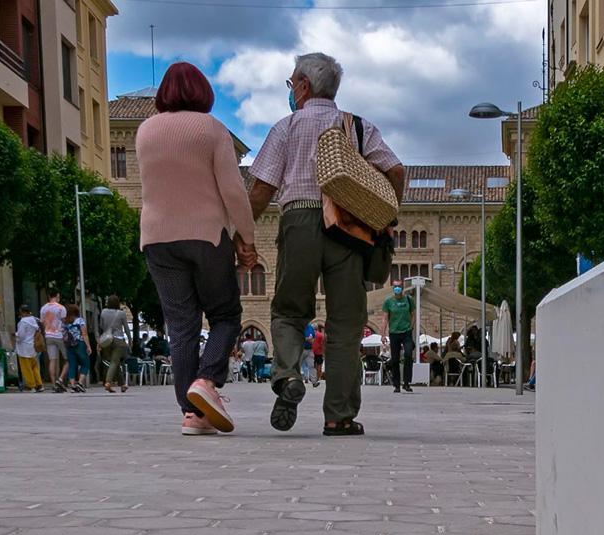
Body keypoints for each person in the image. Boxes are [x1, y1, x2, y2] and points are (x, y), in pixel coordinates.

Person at [249, 52, 405, 436]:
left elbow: (262, 189)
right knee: (346, 324)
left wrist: (241, 234)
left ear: (302, 86)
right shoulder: (357, 127)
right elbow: (396, 169)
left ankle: (287, 377)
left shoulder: (286, 128)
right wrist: (385, 215)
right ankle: (339, 416)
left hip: (299, 220)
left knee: (288, 310)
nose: (290, 92)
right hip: (348, 227)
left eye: (290, 85)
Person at [136, 61, 255, 435]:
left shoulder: (144, 132)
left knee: (182, 326)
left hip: (157, 238)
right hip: (205, 235)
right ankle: (206, 382)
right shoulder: (212, 130)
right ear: (204, 92)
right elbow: (233, 190)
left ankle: (192, 415)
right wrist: (247, 240)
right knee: (225, 315)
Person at [380, 285, 415, 393]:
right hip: (394, 333)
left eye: (399, 287)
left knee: (408, 354)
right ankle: (396, 385)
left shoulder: (409, 300)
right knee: (395, 359)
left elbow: (413, 314)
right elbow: (385, 318)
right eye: (395, 287)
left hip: (406, 332)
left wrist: (411, 327)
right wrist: (383, 334)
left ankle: (406, 382)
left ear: (402, 288)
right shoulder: (388, 302)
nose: (397, 289)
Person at [98, 293, 131, 393]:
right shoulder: (121, 314)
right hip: (118, 340)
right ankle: (108, 382)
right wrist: (130, 340)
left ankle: (122, 384)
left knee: (114, 362)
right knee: (114, 361)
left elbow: (101, 326)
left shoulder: (103, 312)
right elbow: (126, 329)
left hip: (107, 340)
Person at [39, 290, 68, 391]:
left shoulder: (43, 308)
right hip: (59, 335)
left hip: (48, 335)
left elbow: (42, 322)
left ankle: (53, 383)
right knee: (67, 359)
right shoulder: (61, 308)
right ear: (57, 296)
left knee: (52, 360)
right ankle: (60, 379)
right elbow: (64, 322)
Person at [13, 304, 45, 391]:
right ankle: (39, 384)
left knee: (26, 368)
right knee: (34, 367)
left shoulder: (23, 322)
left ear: (22, 312)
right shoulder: (33, 320)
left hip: (24, 348)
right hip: (32, 346)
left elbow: (21, 336)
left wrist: (14, 335)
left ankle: (31, 385)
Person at [62, 304, 90, 392]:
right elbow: (84, 334)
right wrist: (88, 346)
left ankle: (73, 385)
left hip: (69, 345)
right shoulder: (80, 320)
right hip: (79, 343)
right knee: (85, 363)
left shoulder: (66, 323)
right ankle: (80, 383)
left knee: (72, 364)